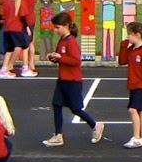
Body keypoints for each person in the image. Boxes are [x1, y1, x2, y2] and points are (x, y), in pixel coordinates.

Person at [43, 10, 105, 146]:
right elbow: (62, 59)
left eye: (58, 27)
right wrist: (54, 58)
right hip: (62, 79)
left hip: (72, 81)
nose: (56, 30)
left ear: (66, 26)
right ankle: (58, 135)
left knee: (76, 109)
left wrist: (61, 58)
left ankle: (95, 126)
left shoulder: (71, 42)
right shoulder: (62, 41)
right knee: (57, 105)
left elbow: (76, 61)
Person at [120, 20, 142, 148]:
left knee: (132, 109)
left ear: (137, 35)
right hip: (133, 85)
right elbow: (122, 61)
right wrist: (124, 45)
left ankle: (136, 137)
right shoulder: (131, 50)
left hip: (141, 86)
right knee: (139, 111)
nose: (127, 37)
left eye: (129, 34)